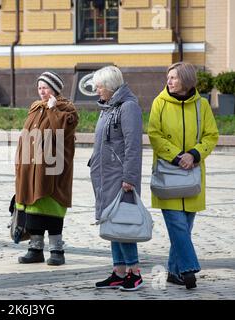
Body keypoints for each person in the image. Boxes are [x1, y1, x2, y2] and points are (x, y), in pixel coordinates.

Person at [148, 62, 219, 289]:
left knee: (184, 228)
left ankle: (173, 272)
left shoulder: (202, 105)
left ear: (186, 80)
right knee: (178, 226)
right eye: (168, 77)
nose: (169, 81)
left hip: (192, 175)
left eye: (174, 78)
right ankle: (188, 268)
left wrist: (195, 154)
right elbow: (154, 135)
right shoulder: (159, 103)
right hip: (168, 174)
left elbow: (211, 135)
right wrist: (178, 156)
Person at [89, 66, 144, 291]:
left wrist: (129, 177)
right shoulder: (108, 108)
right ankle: (119, 272)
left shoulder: (128, 108)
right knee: (112, 223)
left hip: (121, 178)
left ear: (111, 86)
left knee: (124, 223)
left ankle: (135, 272)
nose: (96, 90)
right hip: (105, 176)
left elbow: (133, 146)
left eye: (99, 86)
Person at [15, 71, 78, 266]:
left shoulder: (67, 110)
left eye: (46, 88)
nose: (42, 91)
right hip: (30, 167)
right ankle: (35, 249)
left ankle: (57, 251)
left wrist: (53, 110)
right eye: (40, 87)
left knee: (52, 209)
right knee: (33, 210)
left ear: (55, 89)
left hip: (53, 169)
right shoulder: (35, 107)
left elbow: (62, 131)